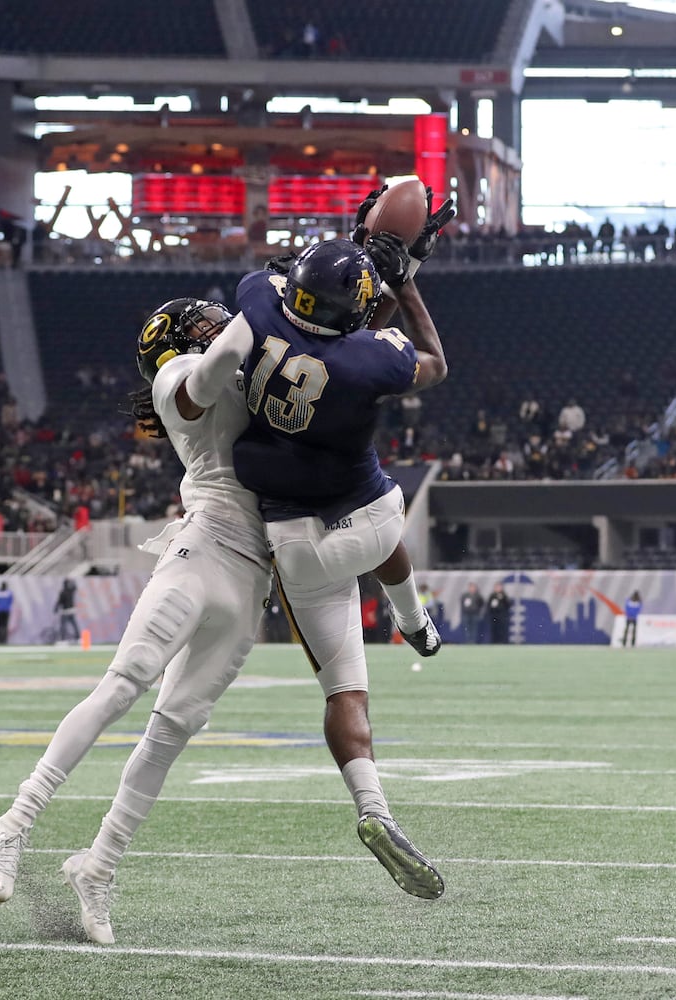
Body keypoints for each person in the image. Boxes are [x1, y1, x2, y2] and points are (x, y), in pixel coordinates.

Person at [0, 297, 273, 945]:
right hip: (203, 548)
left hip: (256, 575)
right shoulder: (178, 378)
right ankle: (16, 820)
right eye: (198, 321)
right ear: (168, 344)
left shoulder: (258, 374)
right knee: (124, 682)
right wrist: (267, 300)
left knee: (172, 732)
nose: (216, 322)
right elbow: (223, 355)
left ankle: (99, 868)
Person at [218, 206, 453, 900]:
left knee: (344, 689)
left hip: (288, 543)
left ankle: (373, 809)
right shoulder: (363, 363)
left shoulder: (258, 302)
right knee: (391, 508)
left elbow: (279, 282)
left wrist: (350, 260)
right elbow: (436, 363)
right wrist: (403, 281)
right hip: (361, 520)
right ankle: (414, 622)